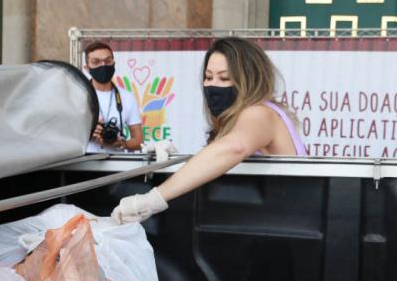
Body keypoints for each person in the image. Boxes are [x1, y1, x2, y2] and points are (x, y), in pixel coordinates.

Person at [111, 37, 306, 224]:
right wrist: (174, 162)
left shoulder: (259, 113)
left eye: (224, 78)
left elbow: (235, 148)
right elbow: (216, 169)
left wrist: (151, 200)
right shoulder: (237, 121)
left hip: (285, 221)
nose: (213, 85)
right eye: (208, 77)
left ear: (250, 80)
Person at [84, 41, 143, 153]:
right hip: (83, 161)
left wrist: (121, 143)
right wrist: (87, 132)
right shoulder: (78, 96)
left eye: (108, 61)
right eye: (96, 62)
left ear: (114, 64)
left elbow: (139, 140)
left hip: (116, 161)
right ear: (87, 68)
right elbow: (64, 134)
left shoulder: (127, 97)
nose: (103, 65)